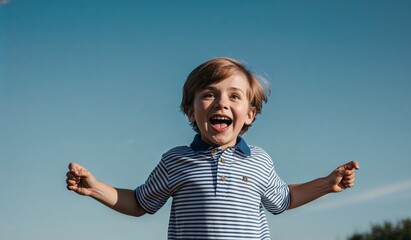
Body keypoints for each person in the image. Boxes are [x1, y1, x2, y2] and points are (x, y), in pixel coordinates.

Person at [66, 57, 359, 239]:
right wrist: (95, 188)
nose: (222, 103)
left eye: (235, 96)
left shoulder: (258, 160)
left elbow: (284, 198)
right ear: (191, 112)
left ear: (249, 114)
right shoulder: (176, 161)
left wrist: (326, 183)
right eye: (209, 95)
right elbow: (140, 203)